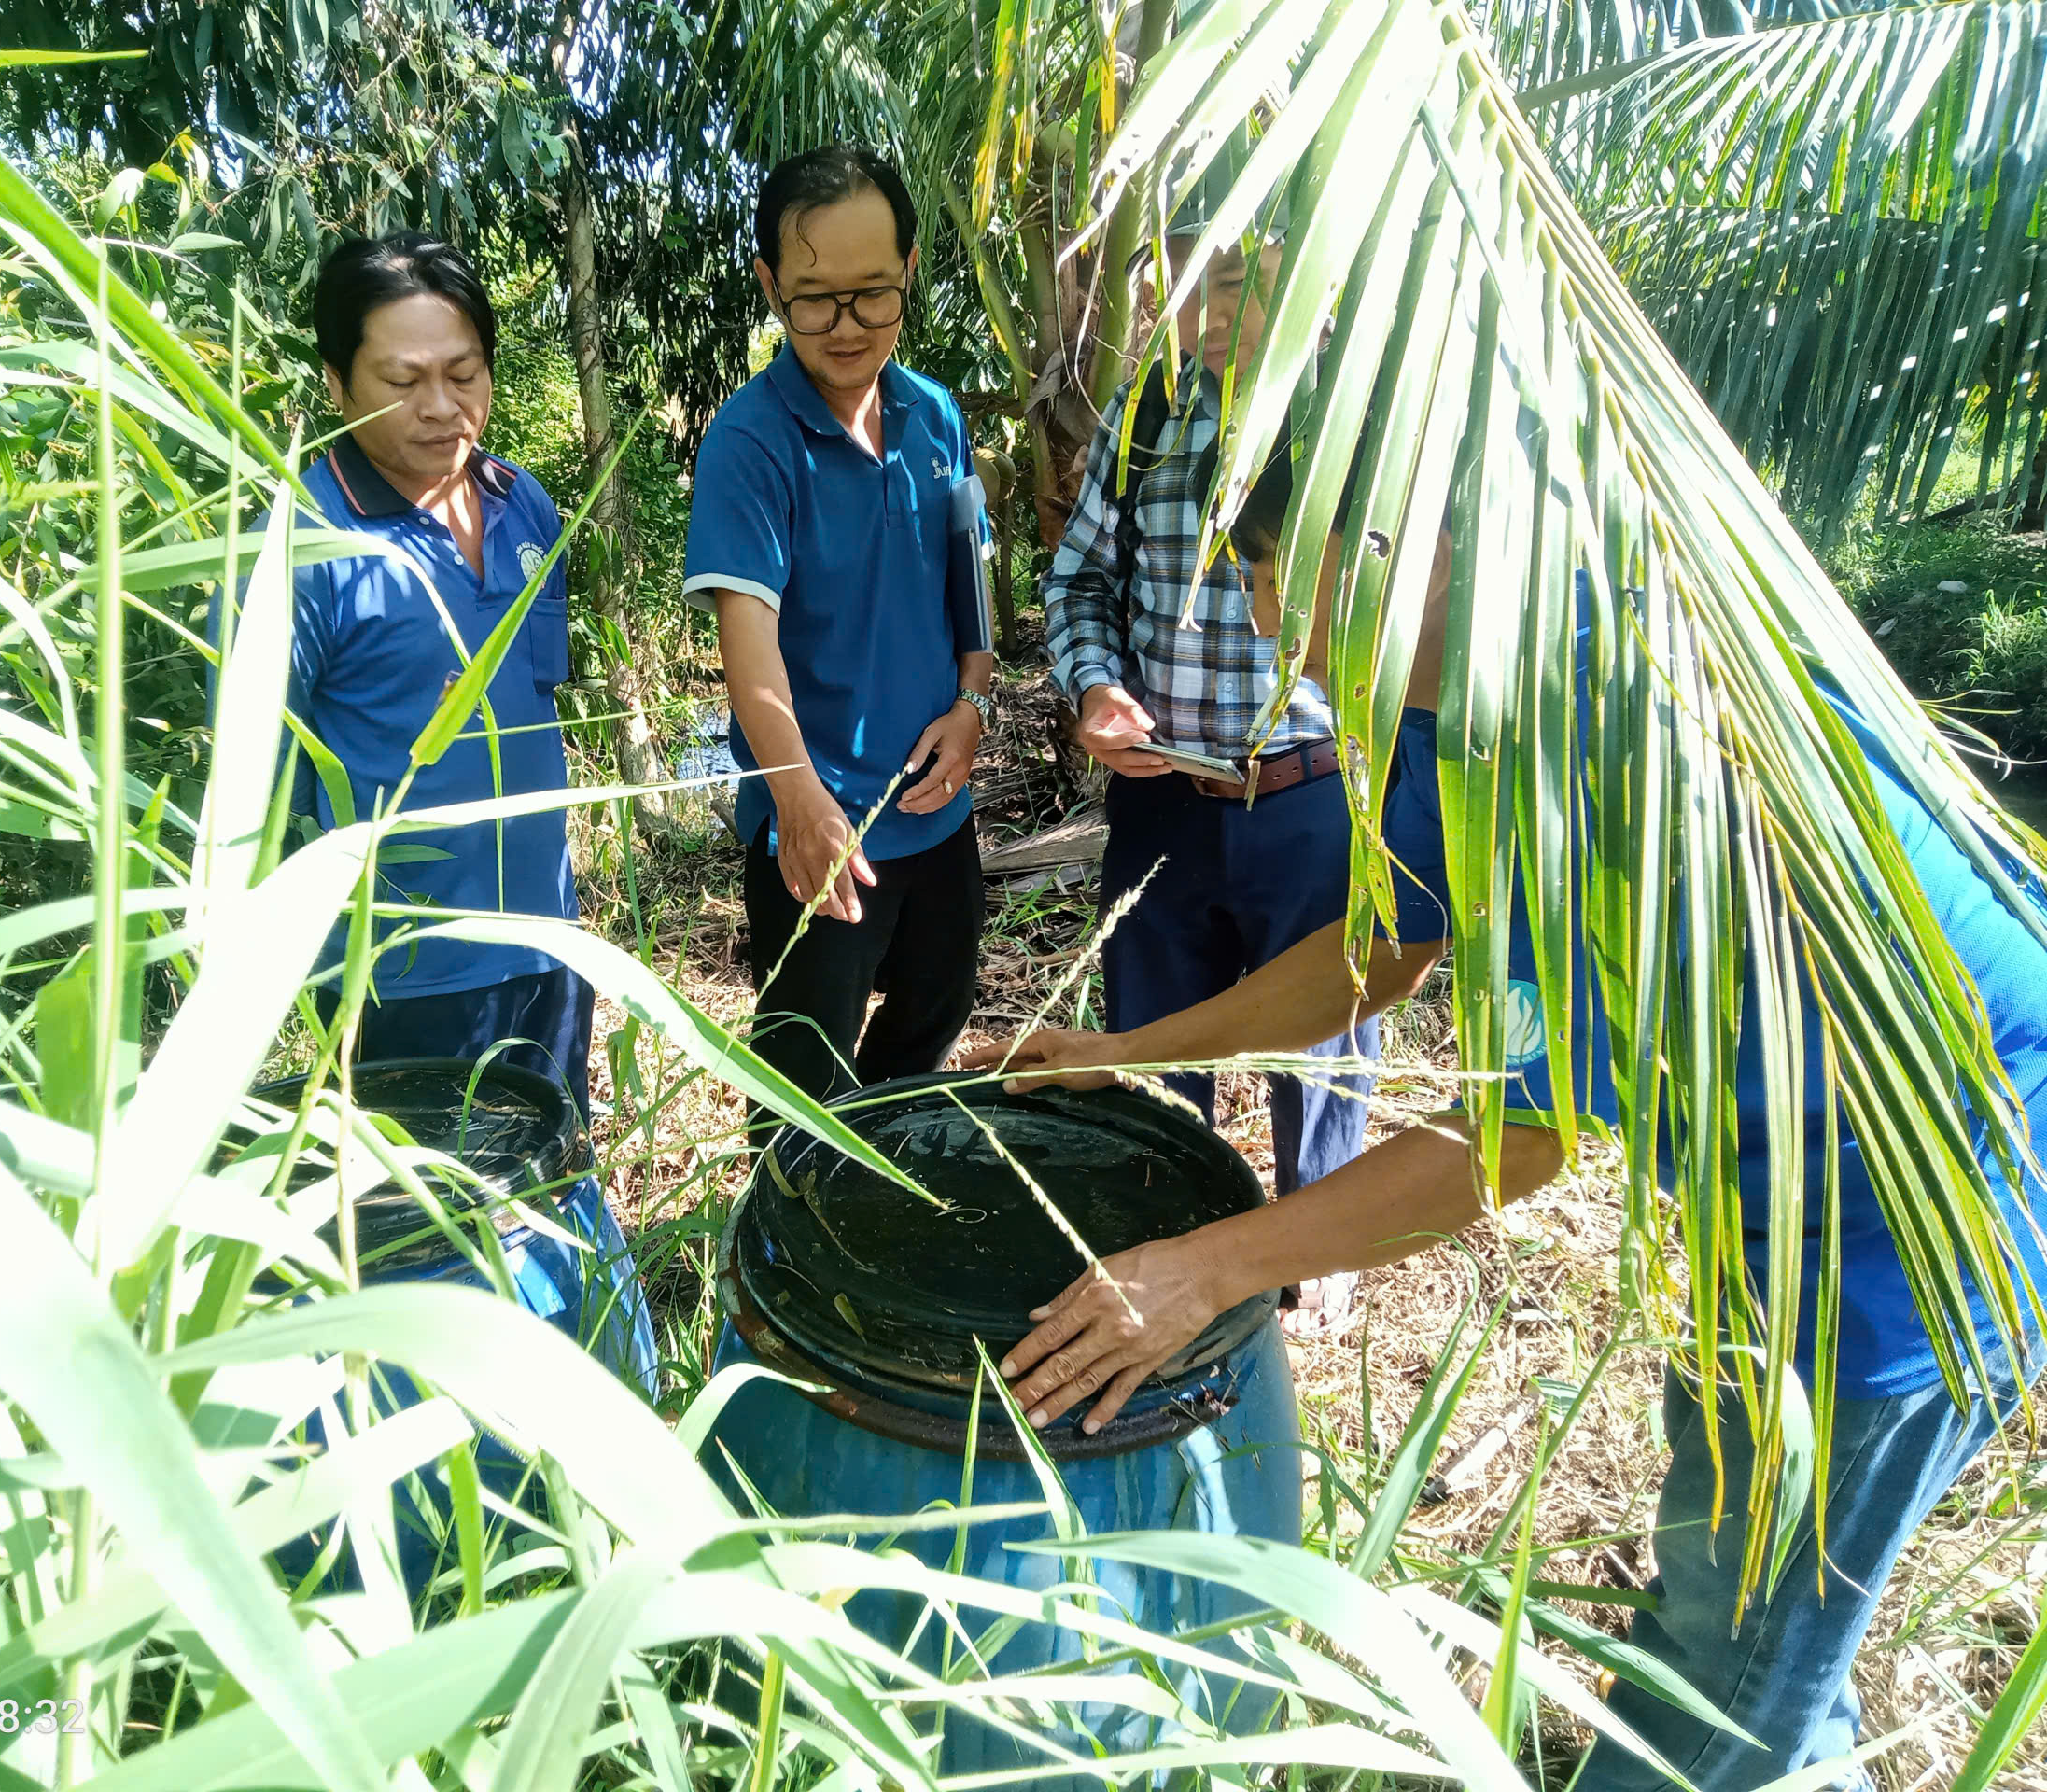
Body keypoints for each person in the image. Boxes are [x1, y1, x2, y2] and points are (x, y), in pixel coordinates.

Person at [971, 475, 2047, 1790]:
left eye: (1268, 576)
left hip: (1920, 1214)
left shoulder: (1601, 733)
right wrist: (1132, 1050)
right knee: (1759, 1638)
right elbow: (1387, 943)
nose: (1260, 623)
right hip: (1764, 1178)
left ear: (1392, 543)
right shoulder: (1448, 697)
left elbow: (1518, 1137)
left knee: (1721, 1680)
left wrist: (1208, 1269)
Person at [1042, 231, 1377, 1337]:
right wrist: (1097, 688)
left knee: (1321, 1037)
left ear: (1306, 273)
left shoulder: (1362, 417)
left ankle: (1319, 1251)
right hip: (1164, 800)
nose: (1207, 317)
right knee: (1155, 1035)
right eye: (1185, 291)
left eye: (1232, 283)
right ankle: (1171, 1232)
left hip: (1313, 791)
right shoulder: (1146, 417)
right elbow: (1079, 579)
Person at [214, 231, 593, 1113]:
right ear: (337, 382)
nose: (442, 408)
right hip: (397, 978)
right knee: (421, 1198)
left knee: (551, 1168)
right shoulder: (297, 550)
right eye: (402, 381)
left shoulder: (523, 505)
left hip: (549, 944)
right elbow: (255, 801)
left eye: (464, 374)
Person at [684, 144, 997, 1104]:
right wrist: (798, 799)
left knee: (934, 1016)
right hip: (819, 830)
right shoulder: (750, 443)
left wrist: (973, 706)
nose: (848, 326)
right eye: (816, 299)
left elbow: (971, 596)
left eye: (874, 294)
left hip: (933, 811)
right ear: (769, 284)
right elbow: (750, 649)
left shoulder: (934, 417)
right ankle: (791, 1201)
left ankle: (877, 1176)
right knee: (801, 1082)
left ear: (909, 270)